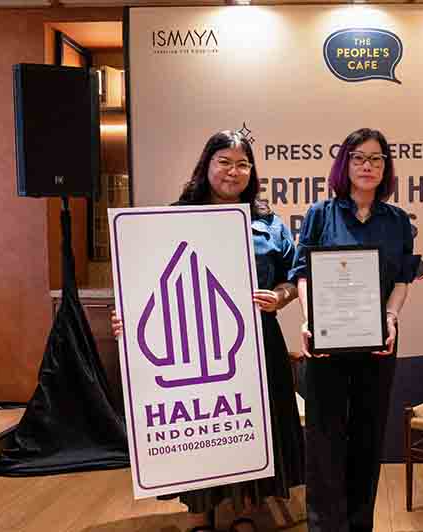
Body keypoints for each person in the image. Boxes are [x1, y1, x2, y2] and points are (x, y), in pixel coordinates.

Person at [112, 130, 305, 532]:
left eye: (243, 164)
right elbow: (144, 279)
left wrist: (280, 297)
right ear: (207, 165)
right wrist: (128, 317)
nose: (233, 171)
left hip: (257, 342)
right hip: (190, 345)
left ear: (252, 172)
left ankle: (246, 509)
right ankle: (198, 513)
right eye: (224, 162)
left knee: (248, 426)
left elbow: (293, 277)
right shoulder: (170, 218)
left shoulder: (268, 223)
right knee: (200, 428)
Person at [289, 127, 419, 532]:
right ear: (345, 164)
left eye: (376, 158)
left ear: (386, 167)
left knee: (368, 436)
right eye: (359, 157)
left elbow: (403, 278)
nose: (367, 165)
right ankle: (325, 526)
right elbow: (303, 273)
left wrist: (391, 317)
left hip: (379, 342)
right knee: (324, 440)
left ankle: (360, 524)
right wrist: (310, 320)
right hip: (327, 343)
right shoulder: (320, 214)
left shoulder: (397, 221)